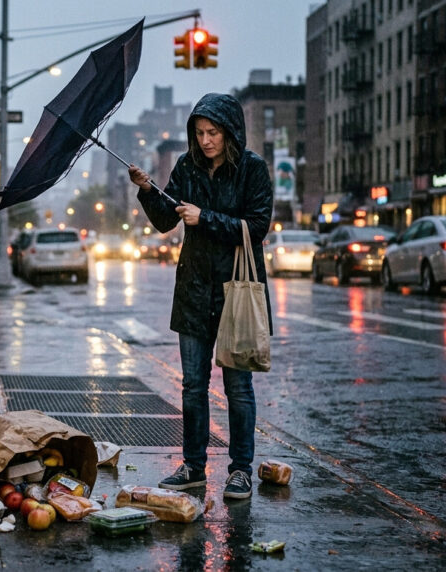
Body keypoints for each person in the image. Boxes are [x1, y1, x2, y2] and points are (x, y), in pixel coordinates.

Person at [128, 93, 273, 500]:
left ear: (229, 132)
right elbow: (162, 222)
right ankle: (193, 466)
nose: (205, 140)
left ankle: (240, 470)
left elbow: (257, 227)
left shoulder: (252, 169)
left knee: (238, 387)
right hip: (193, 290)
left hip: (234, 292)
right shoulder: (186, 167)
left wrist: (204, 217)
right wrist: (146, 191)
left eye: (213, 132)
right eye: (199, 132)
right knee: (193, 386)